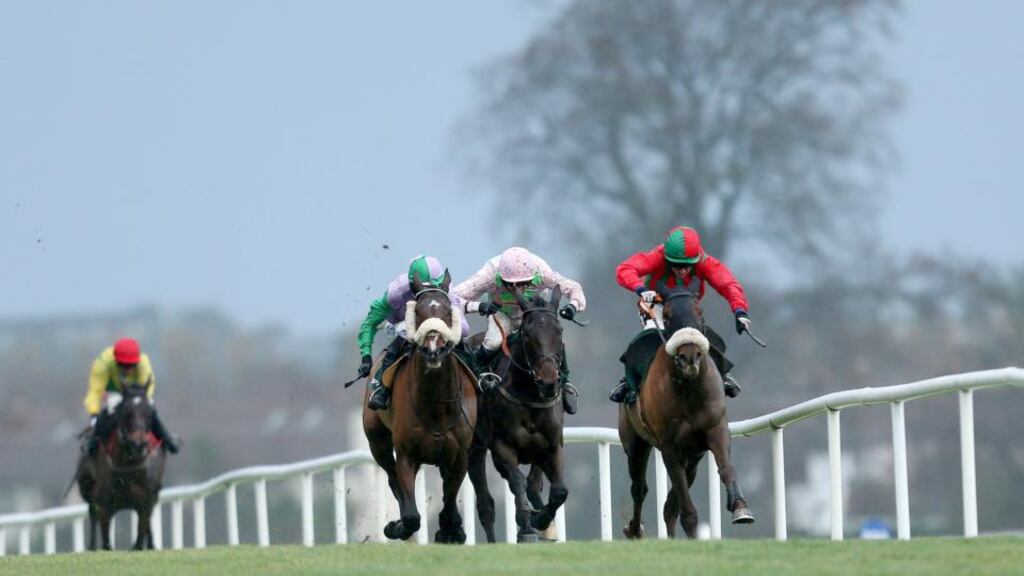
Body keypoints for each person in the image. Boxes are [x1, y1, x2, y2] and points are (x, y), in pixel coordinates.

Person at [610, 226, 751, 402]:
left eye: (688, 266)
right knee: (652, 335)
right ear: (667, 259)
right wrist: (641, 289)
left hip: (688, 306)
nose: (683, 270)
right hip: (655, 303)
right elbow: (625, 269)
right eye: (677, 265)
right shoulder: (658, 255)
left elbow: (728, 284)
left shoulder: (704, 261)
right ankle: (629, 383)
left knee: (705, 336)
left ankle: (722, 375)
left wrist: (740, 311)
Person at [453, 246, 586, 414]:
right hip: (503, 312)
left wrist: (573, 306)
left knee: (549, 339)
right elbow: (453, 298)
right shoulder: (490, 273)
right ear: (502, 277)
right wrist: (478, 305)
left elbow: (573, 287)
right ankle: (478, 378)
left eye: (525, 283)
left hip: (533, 313)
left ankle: (565, 383)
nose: (520, 289)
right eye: (512, 284)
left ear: (533, 275)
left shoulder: (542, 271)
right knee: (493, 342)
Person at [357, 255, 470, 410]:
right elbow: (369, 323)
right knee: (397, 344)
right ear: (412, 284)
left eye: (435, 288)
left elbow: (464, 328)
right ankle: (381, 390)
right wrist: (366, 356)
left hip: (437, 326)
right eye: (422, 288)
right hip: (402, 324)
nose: (430, 292)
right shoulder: (396, 291)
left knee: (464, 345)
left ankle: (481, 379)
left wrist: (447, 329)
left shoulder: (446, 289)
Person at [83, 338, 179, 456]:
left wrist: (144, 402)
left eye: (131, 365)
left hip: (138, 391)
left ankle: (167, 440)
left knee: (149, 409)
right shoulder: (102, 364)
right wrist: (94, 414)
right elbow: (94, 391)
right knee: (111, 410)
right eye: (123, 365)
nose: (128, 370)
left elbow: (148, 387)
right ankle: (93, 442)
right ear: (115, 360)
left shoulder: (143, 362)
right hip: (114, 390)